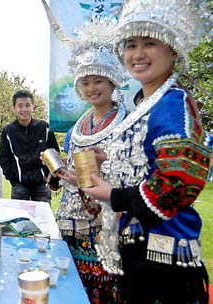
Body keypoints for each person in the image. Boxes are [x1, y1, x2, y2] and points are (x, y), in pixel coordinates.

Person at [81, 0, 213, 303]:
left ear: (172, 49)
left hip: (164, 257)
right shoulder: (146, 103)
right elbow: (146, 166)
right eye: (130, 45)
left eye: (149, 43)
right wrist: (109, 161)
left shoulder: (172, 104)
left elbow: (178, 183)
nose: (137, 54)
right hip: (141, 250)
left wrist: (113, 196)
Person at [53, 19, 128, 304]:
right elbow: (76, 172)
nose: (91, 88)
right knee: (72, 285)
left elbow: (130, 172)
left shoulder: (125, 124)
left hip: (107, 220)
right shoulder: (76, 128)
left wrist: (104, 164)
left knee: (104, 286)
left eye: (97, 80)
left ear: (112, 82)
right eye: (85, 82)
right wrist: (66, 174)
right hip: (71, 219)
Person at [0, 89, 59, 203]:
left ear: (33, 107)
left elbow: (54, 151)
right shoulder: (8, 131)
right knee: (20, 218)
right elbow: (4, 158)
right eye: (20, 106)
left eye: (27, 105)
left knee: (43, 218)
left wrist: (49, 175)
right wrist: (13, 180)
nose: (24, 109)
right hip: (19, 186)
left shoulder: (44, 127)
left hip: (41, 184)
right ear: (14, 108)